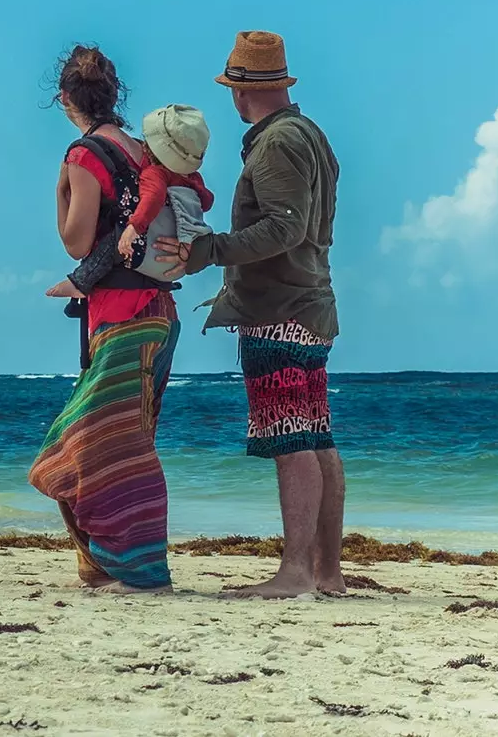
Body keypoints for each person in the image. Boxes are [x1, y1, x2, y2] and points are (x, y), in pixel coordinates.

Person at [153, 31, 343, 599]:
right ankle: (325, 571)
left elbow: (286, 227)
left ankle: (297, 573)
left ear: (240, 91)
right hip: (309, 302)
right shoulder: (308, 134)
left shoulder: (277, 143)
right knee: (314, 435)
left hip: (280, 307)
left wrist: (207, 249)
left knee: (291, 436)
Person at [28, 45, 181, 593]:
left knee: (93, 446)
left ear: (65, 99)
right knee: (126, 439)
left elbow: (75, 241)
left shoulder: (83, 155)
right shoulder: (144, 150)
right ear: (115, 96)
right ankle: (99, 569)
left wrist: (61, 189)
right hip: (162, 311)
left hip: (121, 315)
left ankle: (140, 572)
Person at [45, 103, 214, 297]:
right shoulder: (191, 178)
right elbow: (207, 201)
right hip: (172, 272)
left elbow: (153, 198)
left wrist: (133, 228)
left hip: (127, 292)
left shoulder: (155, 173)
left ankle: (80, 282)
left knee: (113, 241)